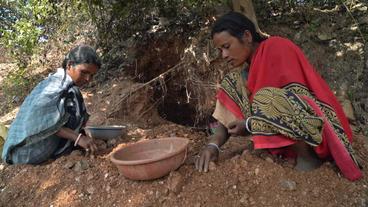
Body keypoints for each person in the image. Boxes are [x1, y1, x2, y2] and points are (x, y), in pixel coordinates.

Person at [195, 12, 362, 181]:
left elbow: (298, 99)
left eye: (227, 46)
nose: (223, 55)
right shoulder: (245, 71)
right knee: (231, 83)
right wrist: (213, 145)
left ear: (246, 36)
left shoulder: (276, 47)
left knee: (266, 98)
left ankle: (308, 158)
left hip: (319, 132)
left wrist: (250, 124)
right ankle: (280, 147)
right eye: (220, 50)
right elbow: (226, 118)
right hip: (287, 128)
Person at [2, 45, 100, 164]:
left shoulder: (58, 83)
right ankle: (63, 150)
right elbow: (42, 122)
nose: (88, 79)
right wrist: (78, 138)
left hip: (20, 152)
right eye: (84, 72)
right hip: (24, 154)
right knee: (73, 98)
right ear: (69, 65)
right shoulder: (56, 86)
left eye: (92, 75)